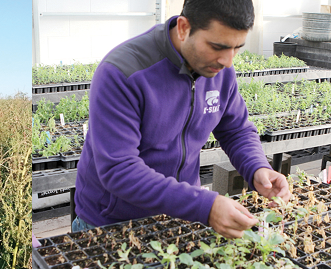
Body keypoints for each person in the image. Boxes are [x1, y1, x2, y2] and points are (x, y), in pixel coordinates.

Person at [73, 0, 291, 239]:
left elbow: (236, 129)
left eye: (237, 47)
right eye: (217, 46)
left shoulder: (220, 69)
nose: (228, 61)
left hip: (181, 216)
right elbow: (119, 169)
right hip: (112, 223)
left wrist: (257, 167)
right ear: (184, 27)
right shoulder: (123, 72)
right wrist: (205, 206)